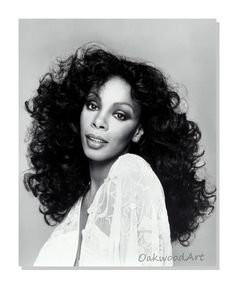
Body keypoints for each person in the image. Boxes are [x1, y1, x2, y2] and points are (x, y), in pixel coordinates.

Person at [23, 43, 216, 267]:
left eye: (120, 115)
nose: (98, 121)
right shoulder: (77, 206)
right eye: (93, 105)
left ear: (139, 131)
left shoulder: (132, 174)